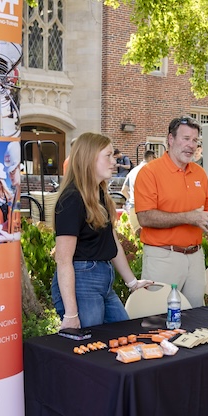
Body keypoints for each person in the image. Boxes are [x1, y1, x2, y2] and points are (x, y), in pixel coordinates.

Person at [134, 116, 208, 307]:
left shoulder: (200, 173)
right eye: (186, 138)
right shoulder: (150, 172)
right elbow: (145, 217)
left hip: (195, 257)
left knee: (196, 315)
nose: (191, 145)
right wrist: (188, 217)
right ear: (171, 139)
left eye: (195, 140)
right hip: (162, 257)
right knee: (158, 316)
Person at [51, 133, 153, 328]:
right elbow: (63, 260)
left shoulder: (99, 194)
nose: (114, 161)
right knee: (90, 349)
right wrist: (71, 314)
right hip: (82, 281)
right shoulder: (71, 199)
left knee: (124, 335)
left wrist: (132, 283)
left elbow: (112, 243)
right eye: (108, 156)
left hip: (103, 280)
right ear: (89, 158)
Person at [121, 149, 156, 235]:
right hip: (148, 209)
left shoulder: (132, 171)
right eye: (155, 158)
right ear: (151, 157)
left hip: (134, 207)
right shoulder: (151, 170)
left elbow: (124, 190)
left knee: (136, 238)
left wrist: (130, 200)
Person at [3, 142, 23, 240]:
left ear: (20, 167)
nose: (10, 176)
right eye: (9, 172)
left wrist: (10, 237)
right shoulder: (16, 194)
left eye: (13, 171)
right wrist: (3, 226)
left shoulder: (22, 194)